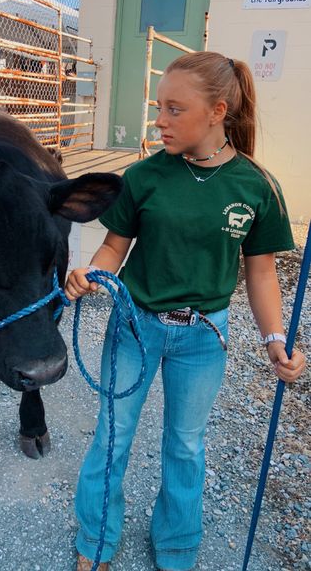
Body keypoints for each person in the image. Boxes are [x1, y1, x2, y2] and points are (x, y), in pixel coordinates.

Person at [65, 51, 306, 571]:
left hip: (203, 338)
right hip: (133, 324)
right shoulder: (144, 176)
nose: (159, 120)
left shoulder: (256, 187)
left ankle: (175, 546)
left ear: (218, 111)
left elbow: (260, 273)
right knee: (112, 433)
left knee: (186, 446)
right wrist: (90, 273)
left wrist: (274, 340)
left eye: (175, 109)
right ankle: (98, 540)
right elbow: (114, 247)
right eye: (159, 107)